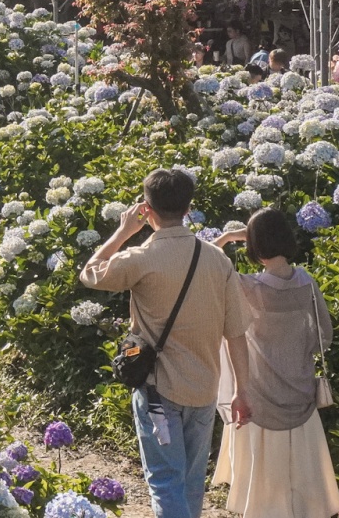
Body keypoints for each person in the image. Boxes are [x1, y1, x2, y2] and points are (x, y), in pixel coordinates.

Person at [81, 168, 252, 518]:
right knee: (190, 480)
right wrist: (241, 391)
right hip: (205, 388)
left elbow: (90, 273)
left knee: (164, 480)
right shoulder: (217, 259)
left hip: (159, 391)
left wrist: (124, 231)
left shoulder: (141, 258)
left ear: (146, 208)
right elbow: (236, 333)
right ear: (188, 209)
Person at [210, 210, 339, 518]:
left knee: (264, 464)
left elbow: (210, 265)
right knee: (301, 461)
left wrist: (228, 237)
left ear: (253, 246)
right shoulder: (305, 282)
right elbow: (325, 333)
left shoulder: (249, 286)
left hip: (259, 392)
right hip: (300, 387)